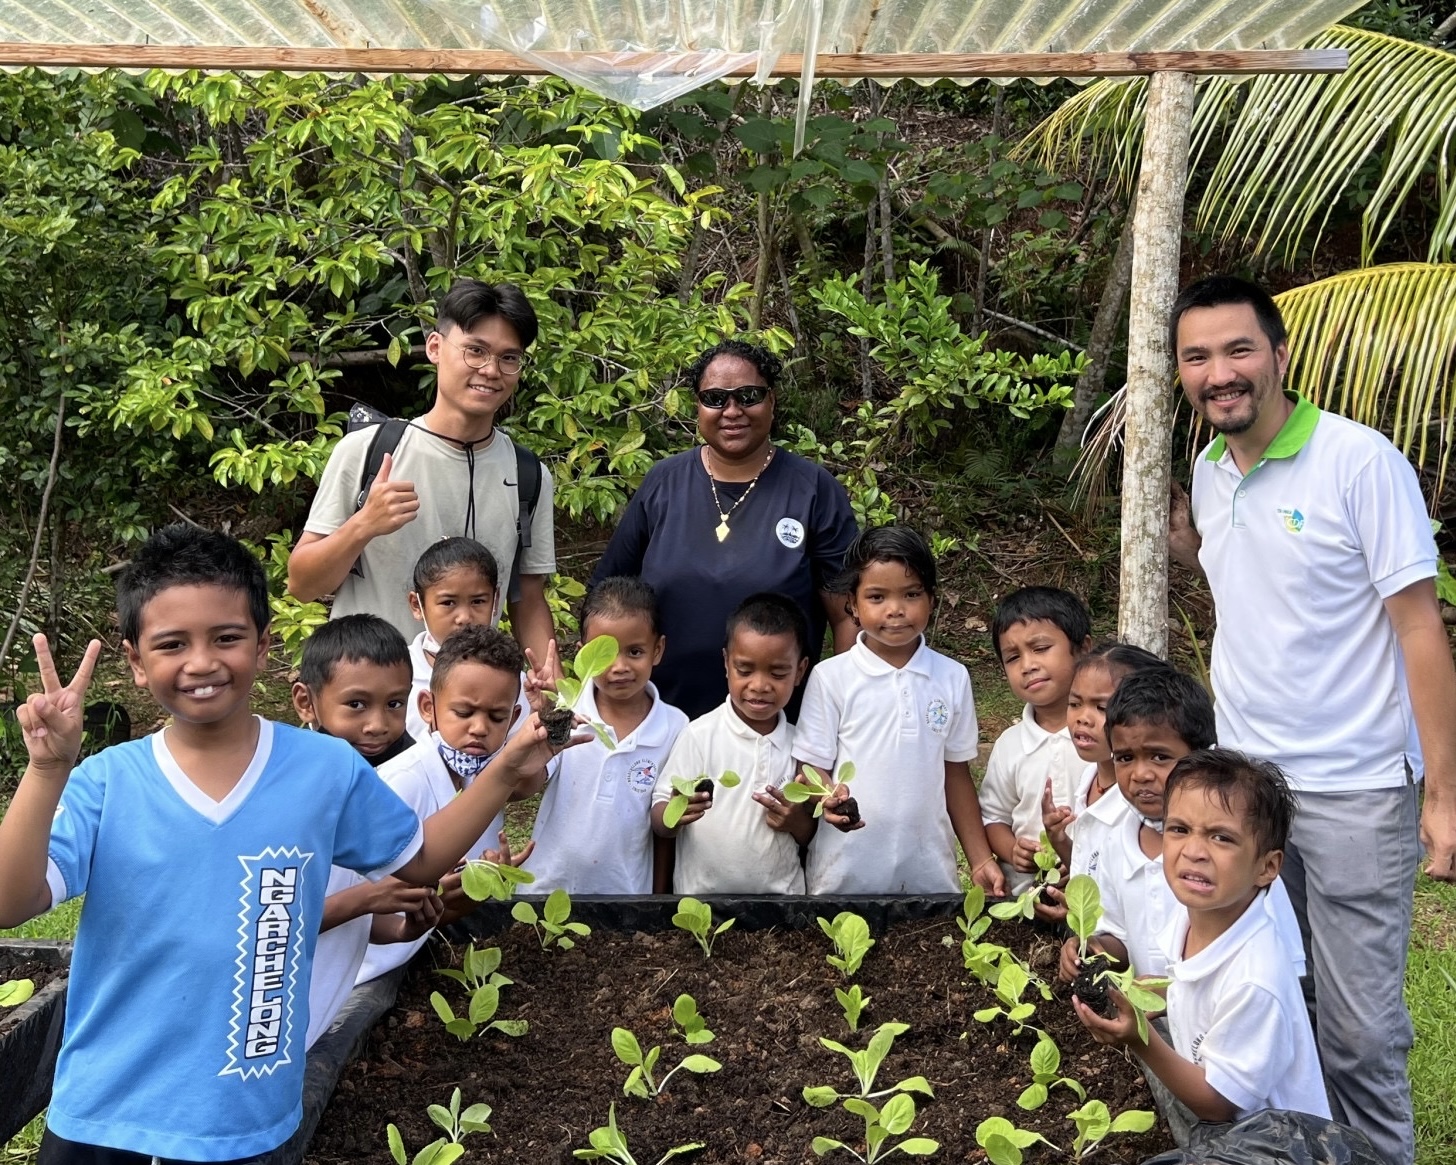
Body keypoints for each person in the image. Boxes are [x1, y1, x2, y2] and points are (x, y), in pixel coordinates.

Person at [0, 525, 566, 1164]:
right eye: (171, 643)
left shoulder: (325, 770)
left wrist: (506, 770)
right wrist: (47, 769)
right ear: (135, 662)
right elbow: (10, 903)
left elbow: (421, 858)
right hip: (104, 1112)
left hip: (244, 1113)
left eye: (227, 637)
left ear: (265, 645)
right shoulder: (105, 782)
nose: (202, 661)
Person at [1166, 275, 1456, 1165]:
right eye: (1197, 356)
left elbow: (1420, 627)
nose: (1220, 372)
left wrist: (1442, 792)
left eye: (1238, 349)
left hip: (1358, 788)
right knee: (1277, 1002)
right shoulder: (1210, 470)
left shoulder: (1360, 462)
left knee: (1363, 1030)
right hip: (1247, 793)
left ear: (1280, 355)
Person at [288, 280, 557, 661]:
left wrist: (554, 694)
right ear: (435, 347)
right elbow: (302, 584)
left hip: (469, 705)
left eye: (508, 358)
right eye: (475, 351)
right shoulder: (368, 452)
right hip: (371, 696)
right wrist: (364, 524)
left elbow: (526, 599)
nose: (491, 370)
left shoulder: (528, 474)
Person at [591, 339, 859, 719]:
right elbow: (606, 595)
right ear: (698, 406)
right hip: (661, 722)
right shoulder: (663, 483)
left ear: (772, 400)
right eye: (715, 398)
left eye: (748, 395)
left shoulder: (813, 489)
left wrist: (836, 714)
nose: (732, 411)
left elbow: (848, 615)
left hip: (776, 726)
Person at [1074, 750, 1330, 1129]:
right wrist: (1147, 993)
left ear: (1268, 866)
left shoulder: (1255, 978)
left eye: (1221, 837)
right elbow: (1187, 985)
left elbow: (1218, 1103)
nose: (1193, 852)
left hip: (1275, 1147)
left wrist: (1140, 1039)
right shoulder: (1193, 916)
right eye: (1178, 829)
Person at [794, 526, 1000, 896]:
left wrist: (981, 859)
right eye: (877, 596)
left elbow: (956, 775)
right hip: (843, 876)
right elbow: (811, 769)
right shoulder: (831, 678)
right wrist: (829, 798)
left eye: (911, 594)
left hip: (929, 876)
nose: (896, 609)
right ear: (853, 605)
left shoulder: (952, 677)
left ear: (932, 600)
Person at [355, 625, 551, 986]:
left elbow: (531, 780)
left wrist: (489, 877)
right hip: (362, 973)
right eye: (464, 712)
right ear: (428, 707)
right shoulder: (400, 784)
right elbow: (357, 898)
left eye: (496, 717)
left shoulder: (481, 774)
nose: (479, 728)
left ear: (514, 715)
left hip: (412, 954)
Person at [290, 615, 442, 1049]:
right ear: (306, 701)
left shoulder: (388, 778)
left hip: (327, 1003)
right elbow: (277, 923)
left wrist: (401, 928)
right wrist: (372, 898)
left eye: (395, 704)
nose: (378, 724)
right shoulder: (293, 794)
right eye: (356, 705)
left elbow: (357, 914)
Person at [524, 577, 688, 894]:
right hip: (545, 892)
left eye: (635, 651)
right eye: (605, 655)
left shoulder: (676, 728)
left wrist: (657, 902)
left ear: (658, 650)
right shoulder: (566, 711)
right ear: (584, 655)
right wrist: (544, 717)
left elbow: (666, 830)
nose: (620, 667)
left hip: (626, 904)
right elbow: (525, 784)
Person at [650, 594, 812, 895]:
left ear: (800, 671)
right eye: (745, 670)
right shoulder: (699, 735)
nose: (760, 685)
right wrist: (676, 811)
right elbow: (660, 820)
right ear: (726, 663)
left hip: (783, 913)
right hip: (701, 909)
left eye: (778, 673)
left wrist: (798, 821)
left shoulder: (801, 744)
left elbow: (811, 835)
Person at [979, 587, 1092, 895]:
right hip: (1025, 896)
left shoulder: (1103, 738)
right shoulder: (1009, 746)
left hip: (1096, 891)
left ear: (1083, 650)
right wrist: (1012, 849)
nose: (1027, 665)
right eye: (1013, 657)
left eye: (1040, 648)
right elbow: (993, 817)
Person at [1043, 642, 1168, 875]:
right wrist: (1058, 839)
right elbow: (1091, 871)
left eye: (1101, 708)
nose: (1083, 718)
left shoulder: (1144, 803)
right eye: (1074, 704)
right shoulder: (1089, 778)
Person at [402, 537, 523, 743]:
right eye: (448, 602)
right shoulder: (401, 674)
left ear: (495, 600)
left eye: (478, 601)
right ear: (417, 605)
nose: (464, 617)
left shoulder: (512, 678)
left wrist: (546, 707)